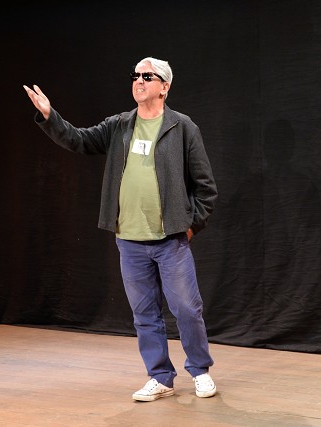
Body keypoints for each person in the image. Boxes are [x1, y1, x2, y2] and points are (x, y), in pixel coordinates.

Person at [23, 56, 218, 401]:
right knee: (144, 314)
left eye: (147, 76)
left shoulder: (182, 127)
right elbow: (79, 140)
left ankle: (200, 370)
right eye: (135, 75)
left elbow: (206, 187)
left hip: (170, 239)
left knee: (187, 309)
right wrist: (51, 116)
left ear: (164, 87)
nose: (138, 81)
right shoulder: (119, 125)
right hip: (129, 239)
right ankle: (160, 376)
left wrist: (190, 227)